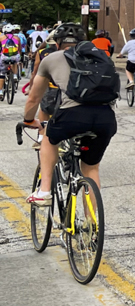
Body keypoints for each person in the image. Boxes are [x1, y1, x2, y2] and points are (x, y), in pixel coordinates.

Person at [24, 23, 118, 204]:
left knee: (48, 138)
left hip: (72, 116)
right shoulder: (101, 57)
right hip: (105, 118)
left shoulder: (51, 58)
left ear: (57, 43)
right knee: (91, 169)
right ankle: (91, 220)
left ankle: (44, 191)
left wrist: (29, 120)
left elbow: (34, 99)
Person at [0, 23, 23, 94]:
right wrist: (19, 56)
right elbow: (19, 49)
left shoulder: (1, 38)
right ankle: (15, 75)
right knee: (15, 61)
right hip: (15, 56)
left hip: (4, 57)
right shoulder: (17, 38)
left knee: (2, 73)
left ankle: (0, 91)